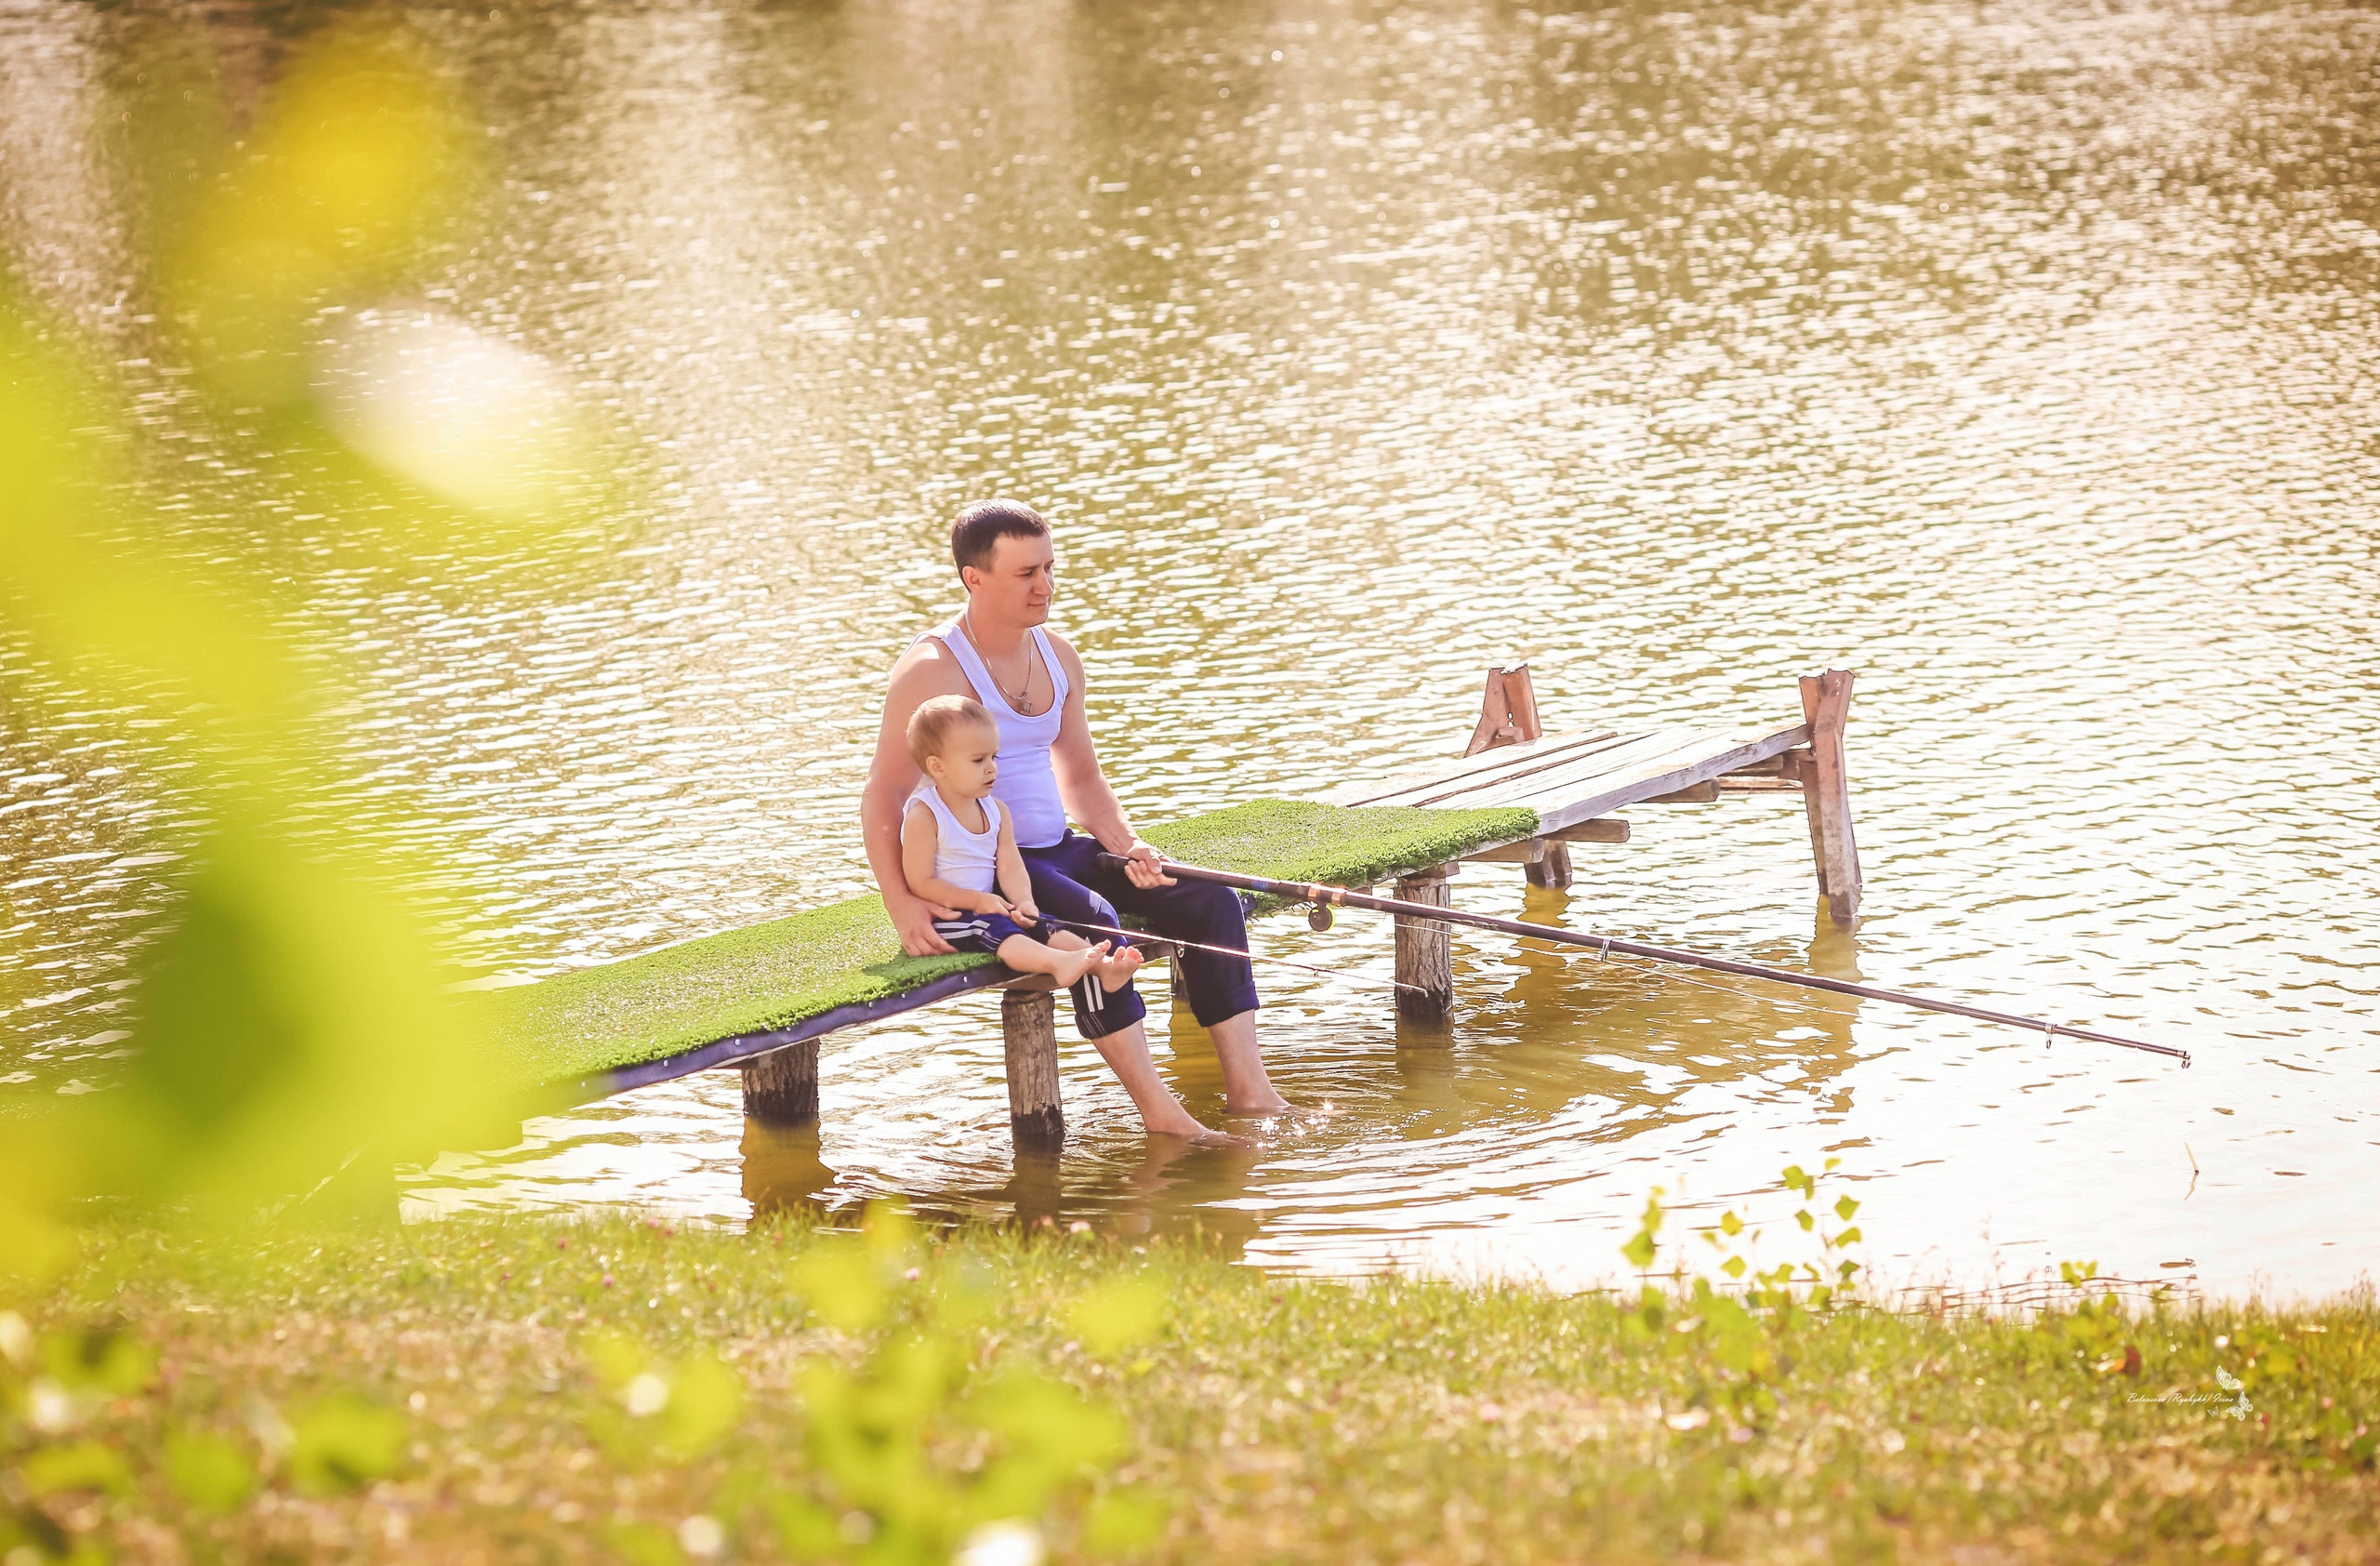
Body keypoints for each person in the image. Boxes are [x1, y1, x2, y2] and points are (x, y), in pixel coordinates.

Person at [861, 498, 1293, 1139]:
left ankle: (1252, 1094)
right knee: (1098, 923)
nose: (1045, 587)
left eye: (1050, 569)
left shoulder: (1058, 654)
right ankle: (1162, 1116)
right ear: (974, 579)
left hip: (1062, 846)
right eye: (1026, 573)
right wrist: (902, 905)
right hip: (995, 867)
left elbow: (1083, 778)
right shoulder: (933, 668)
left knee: (1210, 901)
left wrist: (1130, 847)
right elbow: (882, 795)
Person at [900, 692, 1144, 1003]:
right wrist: (977, 901)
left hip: (989, 904)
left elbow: (1010, 866)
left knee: (1044, 922)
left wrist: (1024, 901)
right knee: (993, 927)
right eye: (978, 760)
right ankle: (1058, 963)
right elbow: (920, 882)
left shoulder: (996, 810)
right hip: (948, 919)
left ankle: (1102, 966)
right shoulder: (925, 814)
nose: (991, 769)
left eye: (994, 757)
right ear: (938, 767)